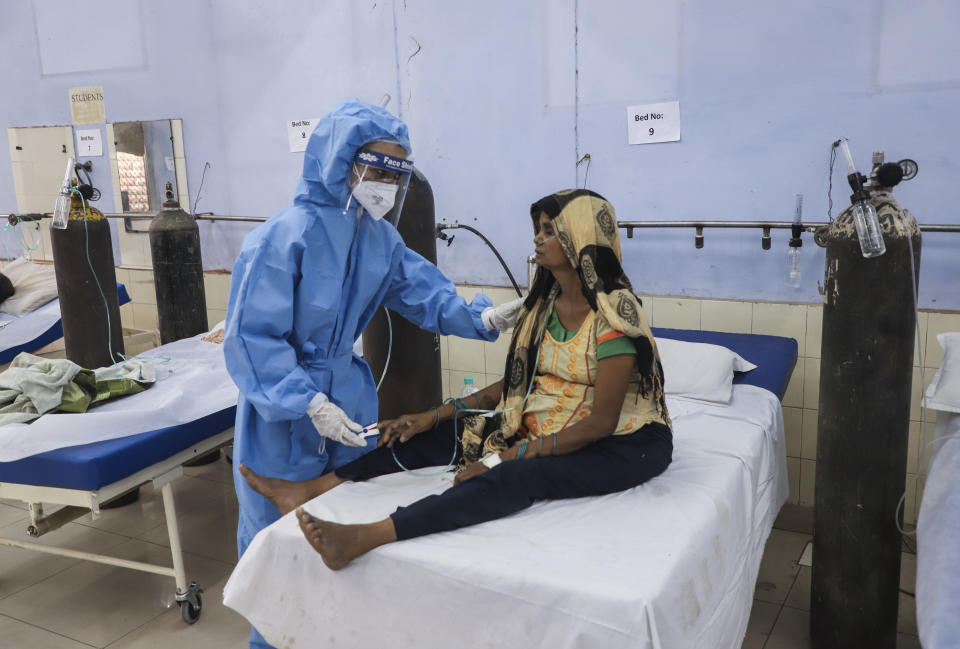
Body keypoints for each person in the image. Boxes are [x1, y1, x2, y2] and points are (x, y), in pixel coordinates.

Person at [240, 188, 674, 571]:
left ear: (579, 238)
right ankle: (312, 488)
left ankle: (366, 536)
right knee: (411, 435)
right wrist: (432, 416)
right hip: (550, 421)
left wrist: (504, 457)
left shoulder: (614, 315)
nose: (537, 238)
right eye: (537, 229)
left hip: (622, 442)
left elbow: (600, 423)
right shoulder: (543, 307)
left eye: (549, 230)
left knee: (516, 477)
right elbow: (512, 388)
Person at [223, 98, 521, 649]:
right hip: (281, 413)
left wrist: (480, 316)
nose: (385, 183)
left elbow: (424, 293)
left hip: (350, 395)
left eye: (396, 173)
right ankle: (273, 637)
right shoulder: (280, 238)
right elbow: (251, 340)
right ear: (340, 161)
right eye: (377, 168)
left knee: (347, 513)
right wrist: (305, 402)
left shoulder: (378, 238)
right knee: (279, 535)